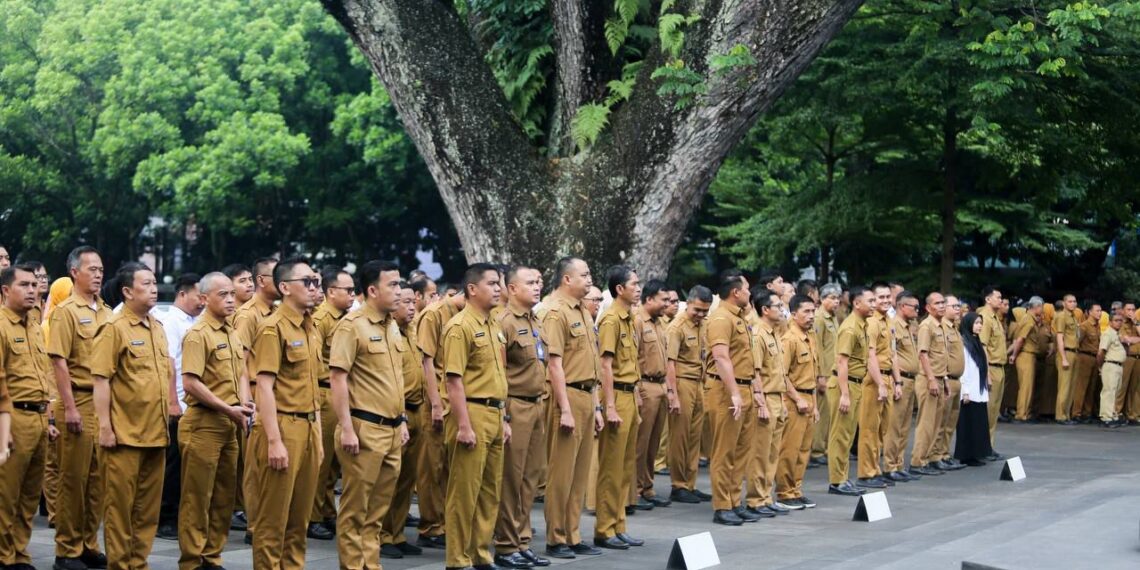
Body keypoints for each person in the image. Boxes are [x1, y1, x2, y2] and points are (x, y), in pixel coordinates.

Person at [91, 262, 172, 569]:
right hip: (124, 435)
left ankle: (139, 563)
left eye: (155, 283)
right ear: (127, 291)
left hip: (155, 433)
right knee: (120, 509)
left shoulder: (157, 327)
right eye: (146, 284)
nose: (154, 289)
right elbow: (101, 380)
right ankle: (120, 565)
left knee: (147, 511)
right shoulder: (114, 328)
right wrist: (105, 427)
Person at [328, 260, 407, 570]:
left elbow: (393, 379)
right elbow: (338, 378)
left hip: (391, 429)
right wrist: (346, 428)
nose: (400, 291)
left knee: (377, 511)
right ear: (373, 290)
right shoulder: (352, 325)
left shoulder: (391, 325)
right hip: (363, 427)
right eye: (394, 285)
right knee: (355, 509)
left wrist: (400, 420)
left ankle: (371, 565)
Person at [247, 257, 322, 568]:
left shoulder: (310, 326)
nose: (314, 287)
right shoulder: (272, 328)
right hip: (283, 426)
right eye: (307, 282)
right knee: (273, 518)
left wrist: (316, 434)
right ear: (285, 287)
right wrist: (274, 440)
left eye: (316, 281)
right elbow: (264, 386)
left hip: (309, 426)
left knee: (299, 519)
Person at [177, 272, 254, 570]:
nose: (231, 300)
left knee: (224, 498)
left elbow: (243, 372)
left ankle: (212, 556)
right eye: (223, 295)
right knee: (198, 497)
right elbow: (192, 382)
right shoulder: (199, 334)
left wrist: (245, 401)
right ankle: (192, 561)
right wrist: (228, 407)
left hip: (229, 422)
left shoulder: (231, 332)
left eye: (231, 294)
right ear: (204, 299)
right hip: (204, 422)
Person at [441, 263, 510, 569]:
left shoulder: (493, 324)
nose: (499, 288)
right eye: (492, 283)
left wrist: (504, 417)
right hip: (471, 412)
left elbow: (498, 375)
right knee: (464, 493)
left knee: (489, 491)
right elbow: (453, 380)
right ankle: (458, 559)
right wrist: (464, 425)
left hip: (494, 413)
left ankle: (481, 553)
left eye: (500, 283)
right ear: (472, 289)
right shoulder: (460, 327)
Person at [49, 246, 111, 570]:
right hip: (78, 399)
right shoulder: (66, 312)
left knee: (97, 480)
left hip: (103, 405)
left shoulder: (107, 311)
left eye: (101, 269)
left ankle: (89, 543)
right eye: (92, 269)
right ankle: (66, 550)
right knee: (72, 479)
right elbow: (59, 362)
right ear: (75, 272)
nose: (99, 274)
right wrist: (70, 408)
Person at [541, 257, 603, 559]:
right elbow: (555, 365)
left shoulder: (582, 311)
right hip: (566, 396)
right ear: (567, 279)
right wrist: (565, 409)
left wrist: (597, 405)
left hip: (586, 395)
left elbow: (589, 363)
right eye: (584, 274)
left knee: (579, 474)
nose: (590, 279)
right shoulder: (555, 312)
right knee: (561, 473)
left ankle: (573, 533)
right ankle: (556, 537)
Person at [492, 265, 551, 569]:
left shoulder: (535, 319)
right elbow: (499, 372)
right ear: (512, 289)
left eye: (539, 281)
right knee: (511, 480)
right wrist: (503, 415)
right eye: (530, 282)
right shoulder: (504, 321)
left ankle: (522, 540)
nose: (537, 286)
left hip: (537, 404)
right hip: (515, 406)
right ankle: (505, 545)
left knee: (531, 478)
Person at [0, 264, 56, 568]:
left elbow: (42, 375)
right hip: (13, 418)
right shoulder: (1, 325)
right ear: (6, 290)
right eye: (24, 285)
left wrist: (49, 419)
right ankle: (3, 556)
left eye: (35, 285)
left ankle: (20, 553)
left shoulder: (34, 324)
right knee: (6, 494)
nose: (33, 290)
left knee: (29, 496)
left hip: (37, 417)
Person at [593, 265, 643, 550]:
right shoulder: (611, 319)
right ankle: (604, 528)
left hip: (629, 394)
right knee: (611, 467)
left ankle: (618, 523)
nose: (638, 288)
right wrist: (609, 405)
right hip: (616, 397)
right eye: (633, 284)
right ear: (619, 289)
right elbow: (605, 365)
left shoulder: (629, 318)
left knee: (625, 467)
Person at [414, 281, 467, 549]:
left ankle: (445, 523)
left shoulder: (468, 316)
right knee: (431, 467)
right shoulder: (434, 314)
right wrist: (435, 403)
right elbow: (425, 361)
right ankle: (430, 526)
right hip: (436, 400)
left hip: (454, 401)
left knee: (447, 467)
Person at [705, 273, 760, 524]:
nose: (750, 293)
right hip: (726, 389)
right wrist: (735, 393)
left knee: (741, 451)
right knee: (724, 450)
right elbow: (721, 357)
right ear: (735, 292)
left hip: (745, 387)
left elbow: (747, 359)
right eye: (747, 288)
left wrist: (754, 391)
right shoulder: (720, 318)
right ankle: (722, 505)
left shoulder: (740, 318)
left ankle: (735, 501)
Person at [379, 283, 427, 560]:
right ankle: (383, 534)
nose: (410, 307)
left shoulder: (411, 331)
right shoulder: (388, 332)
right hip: (400, 412)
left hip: (418, 409)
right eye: (403, 302)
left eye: (412, 302)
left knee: (408, 478)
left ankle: (396, 533)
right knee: (390, 479)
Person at [156, 273, 205, 540]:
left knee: (187, 464)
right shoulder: (170, 321)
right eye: (199, 296)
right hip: (177, 403)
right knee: (173, 464)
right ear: (183, 294)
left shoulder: (198, 321)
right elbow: (169, 362)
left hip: (194, 404)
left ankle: (182, 516)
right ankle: (166, 518)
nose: (202, 302)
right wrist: (173, 402)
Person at [308, 265, 355, 541]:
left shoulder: (346, 317)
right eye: (347, 290)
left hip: (341, 393)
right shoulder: (322, 318)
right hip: (325, 392)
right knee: (322, 460)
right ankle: (313, 516)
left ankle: (326, 512)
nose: (351, 295)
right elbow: (315, 362)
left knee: (336, 462)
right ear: (330, 292)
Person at [234, 256, 279, 541]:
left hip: (274, 396)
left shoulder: (277, 313)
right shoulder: (249, 314)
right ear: (261, 280)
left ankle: (269, 521)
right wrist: (246, 402)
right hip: (254, 396)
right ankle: (254, 525)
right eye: (277, 275)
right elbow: (239, 361)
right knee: (254, 467)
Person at [665, 286, 713, 504]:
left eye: (705, 311)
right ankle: (678, 484)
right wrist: (673, 394)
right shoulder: (677, 327)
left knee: (695, 436)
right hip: (682, 383)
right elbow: (670, 364)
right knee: (680, 436)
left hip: (699, 383)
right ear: (688, 303)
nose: (701, 315)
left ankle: (690, 483)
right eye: (697, 310)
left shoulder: (703, 325)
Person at [744, 290, 788, 517]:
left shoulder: (775, 334)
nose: (782, 310)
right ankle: (755, 499)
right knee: (760, 453)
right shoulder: (758, 334)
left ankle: (766, 496)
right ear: (765, 310)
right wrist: (760, 402)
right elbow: (755, 373)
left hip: (777, 397)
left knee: (772, 453)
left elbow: (778, 371)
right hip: (766, 398)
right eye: (778, 306)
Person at [774, 294, 819, 510]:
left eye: (813, 311)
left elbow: (813, 373)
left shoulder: (810, 337)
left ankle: (796, 489)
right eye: (806, 312)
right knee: (789, 449)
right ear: (793, 314)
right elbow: (782, 375)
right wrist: (798, 398)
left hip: (809, 397)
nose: (811, 316)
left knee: (803, 450)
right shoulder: (789, 339)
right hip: (795, 399)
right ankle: (784, 491)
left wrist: (815, 405)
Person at [826, 286, 873, 496]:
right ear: (856, 303)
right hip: (844, 384)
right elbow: (841, 361)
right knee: (840, 434)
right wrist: (844, 393)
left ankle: (843, 477)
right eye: (870, 301)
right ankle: (837, 481)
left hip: (855, 383)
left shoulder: (862, 325)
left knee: (848, 433)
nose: (873, 305)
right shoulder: (851, 327)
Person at [855, 283, 898, 489]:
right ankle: (866, 473)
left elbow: (892, 352)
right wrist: (880, 382)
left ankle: (876, 469)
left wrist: (896, 381)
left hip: (887, 378)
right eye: (880, 297)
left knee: (882, 428)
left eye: (888, 297)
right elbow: (870, 355)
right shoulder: (872, 322)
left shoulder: (888, 320)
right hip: (874, 381)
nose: (885, 301)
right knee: (870, 429)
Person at [633, 279, 671, 510]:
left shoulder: (660, 323)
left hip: (660, 385)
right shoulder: (638, 321)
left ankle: (647, 486)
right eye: (663, 299)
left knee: (653, 442)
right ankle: (635, 489)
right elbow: (633, 358)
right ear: (649, 299)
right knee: (641, 441)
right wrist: (637, 389)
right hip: (645, 384)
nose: (667, 304)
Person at [909, 292, 948, 477]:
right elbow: (923, 354)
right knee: (926, 422)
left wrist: (943, 379)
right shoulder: (927, 326)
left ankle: (929, 458)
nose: (942, 306)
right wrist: (932, 379)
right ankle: (918, 461)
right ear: (928, 307)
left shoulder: (940, 326)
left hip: (939, 378)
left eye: (943, 302)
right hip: (928, 379)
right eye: (937, 303)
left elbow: (940, 357)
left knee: (936, 422)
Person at [883, 291, 921, 482]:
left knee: (905, 425)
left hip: (911, 379)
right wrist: (896, 381)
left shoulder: (908, 326)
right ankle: (890, 466)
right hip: (901, 379)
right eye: (914, 306)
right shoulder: (894, 325)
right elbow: (892, 355)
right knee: (895, 425)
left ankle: (898, 463)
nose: (917, 310)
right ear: (901, 306)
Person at [932, 295, 966, 471]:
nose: (958, 308)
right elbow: (939, 356)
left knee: (950, 422)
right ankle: (935, 455)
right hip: (947, 379)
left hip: (956, 380)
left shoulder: (954, 328)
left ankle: (944, 453)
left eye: (958, 305)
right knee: (941, 421)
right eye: (954, 306)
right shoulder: (942, 328)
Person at [954, 312, 993, 466]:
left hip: (978, 389)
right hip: (969, 390)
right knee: (968, 424)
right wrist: (965, 391)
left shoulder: (976, 341)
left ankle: (977, 453)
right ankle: (967, 455)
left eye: (980, 323)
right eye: (976, 323)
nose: (979, 326)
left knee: (978, 423)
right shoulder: (965, 342)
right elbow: (965, 369)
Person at [810, 283, 841, 468]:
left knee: (829, 413)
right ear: (822, 299)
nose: (836, 302)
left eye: (837, 298)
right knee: (822, 412)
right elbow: (818, 347)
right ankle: (817, 449)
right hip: (825, 373)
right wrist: (820, 375)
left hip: (833, 371)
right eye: (832, 298)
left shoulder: (832, 318)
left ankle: (824, 447)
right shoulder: (819, 318)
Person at [978, 286, 1008, 458]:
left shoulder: (996, 318)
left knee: (994, 411)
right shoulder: (985, 318)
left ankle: (989, 445)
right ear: (988, 299)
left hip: (1000, 368)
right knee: (987, 411)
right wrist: (986, 373)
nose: (1001, 300)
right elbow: (983, 347)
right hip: (992, 368)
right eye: (998, 297)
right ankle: (983, 447)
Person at [1010, 297, 1046, 422]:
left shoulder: (1030, 319)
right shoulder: (1028, 320)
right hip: (1025, 354)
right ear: (1036, 307)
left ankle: (1026, 412)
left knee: (1028, 386)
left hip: (1029, 355)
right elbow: (1020, 339)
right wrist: (1014, 355)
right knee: (1025, 386)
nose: (1042, 310)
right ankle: (1021, 414)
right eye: (1041, 307)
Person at [1052, 294, 1080, 424]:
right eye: (1070, 301)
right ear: (1064, 303)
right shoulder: (1062, 316)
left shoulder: (1074, 317)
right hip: (1066, 352)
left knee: (1072, 386)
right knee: (1064, 385)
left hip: (1075, 352)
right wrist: (1063, 357)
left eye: (1074, 301)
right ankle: (1060, 415)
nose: (1073, 304)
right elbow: (1059, 337)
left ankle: (1067, 414)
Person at [1073, 304, 1102, 423]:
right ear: (1090, 312)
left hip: (1095, 358)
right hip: (1085, 356)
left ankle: (1087, 413)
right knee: (1081, 386)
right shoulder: (1084, 326)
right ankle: (1076, 413)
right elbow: (1077, 341)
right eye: (1097, 311)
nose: (1099, 313)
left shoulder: (1097, 326)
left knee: (1091, 387)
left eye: (1100, 311)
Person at [1098, 313, 1128, 428]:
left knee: (1116, 391)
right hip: (1110, 364)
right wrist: (1100, 366)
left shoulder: (1118, 334)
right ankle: (1106, 417)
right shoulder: (1108, 334)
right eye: (1116, 320)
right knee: (1108, 391)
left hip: (1118, 366)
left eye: (1121, 320)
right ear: (1110, 322)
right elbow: (1101, 352)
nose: (1119, 322)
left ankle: (1113, 415)